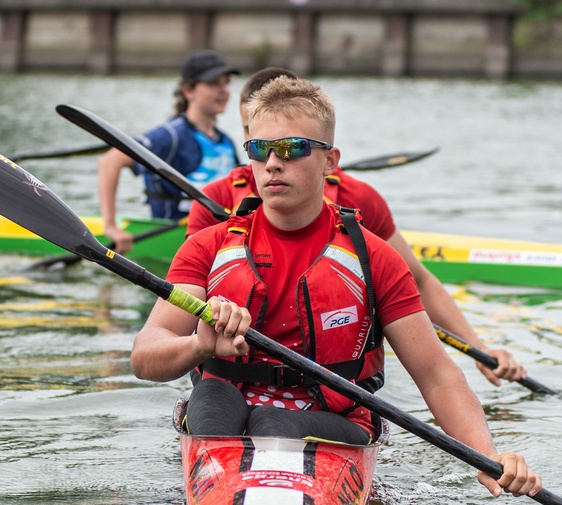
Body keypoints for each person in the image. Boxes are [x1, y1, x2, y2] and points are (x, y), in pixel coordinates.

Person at [131, 77, 541, 499]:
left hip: (332, 420)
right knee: (210, 395)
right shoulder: (208, 246)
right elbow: (144, 357)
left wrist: (488, 455)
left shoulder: (375, 258)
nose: (272, 163)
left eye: (291, 149)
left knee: (272, 424)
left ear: (330, 161)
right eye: (259, 149)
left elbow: (436, 375)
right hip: (225, 416)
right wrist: (197, 346)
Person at [186, 67, 526, 389]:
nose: (272, 156)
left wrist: (480, 348)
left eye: (291, 145)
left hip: (331, 373)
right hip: (233, 371)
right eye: (254, 138)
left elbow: (418, 281)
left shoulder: (358, 198)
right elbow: (186, 305)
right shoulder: (215, 199)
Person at [97, 50, 240, 254]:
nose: (223, 90)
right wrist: (110, 226)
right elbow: (110, 161)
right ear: (188, 90)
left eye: (226, 83)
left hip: (218, 234)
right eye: (213, 83)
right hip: (177, 236)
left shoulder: (226, 141)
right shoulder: (170, 136)